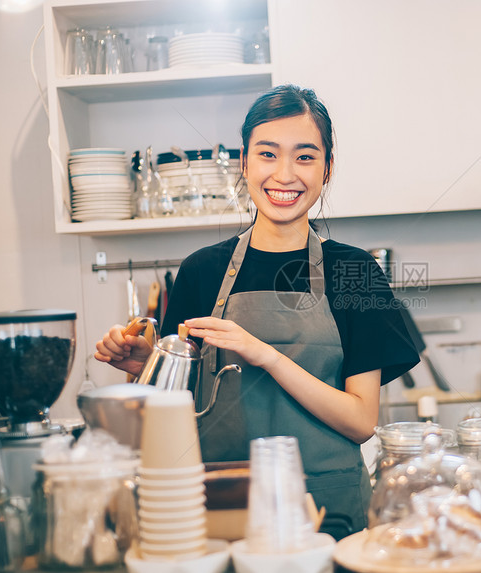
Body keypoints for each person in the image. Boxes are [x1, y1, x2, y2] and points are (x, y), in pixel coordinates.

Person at [94, 84, 419, 536]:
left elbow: (362, 421)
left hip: (329, 517)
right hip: (223, 513)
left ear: (326, 170)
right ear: (244, 164)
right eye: (268, 154)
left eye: (305, 157)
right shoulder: (201, 272)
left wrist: (265, 354)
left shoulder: (354, 272)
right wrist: (143, 367)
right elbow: (174, 413)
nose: (285, 174)